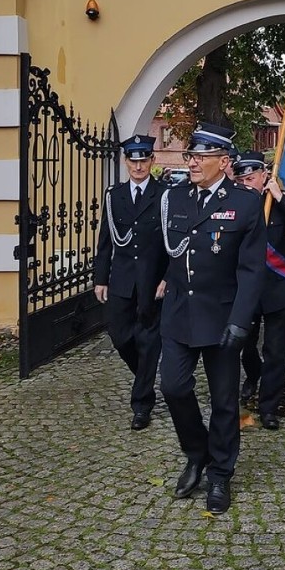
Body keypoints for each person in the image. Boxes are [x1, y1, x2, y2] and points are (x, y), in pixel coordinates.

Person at [159, 123, 266, 515]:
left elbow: (252, 270)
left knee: (223, 401)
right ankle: (196, 452)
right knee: (172, 386)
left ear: (224, 162)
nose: (193, 163)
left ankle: (220, 474)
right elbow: (165, 252)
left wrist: (241, 321)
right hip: (178, 313)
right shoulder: (174, 198)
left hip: (222, 317)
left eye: (201, 157)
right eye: (191, 156)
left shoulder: (246, 202)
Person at [233, 151, 285, 429]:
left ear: (265, 176)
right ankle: (253, 376)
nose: (245, 184)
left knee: (276, 351)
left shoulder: (279, 202)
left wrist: (280, 197)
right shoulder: (234, 204)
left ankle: (269, 406)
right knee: (244, 346)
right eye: (240, 179)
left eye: (251, 178)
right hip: (246, 290)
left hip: (278, 289)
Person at [94, 134, 168, 430]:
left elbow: (173, 242)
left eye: (144, 160)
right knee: (120, 335)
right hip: (122, 281)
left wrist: (168, 277)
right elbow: (105, 241)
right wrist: (100, 278)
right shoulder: (115, 196)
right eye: (133, 160)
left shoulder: (165, 195)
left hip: (153, 281)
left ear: (152, 161)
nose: (138, 166)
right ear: (126, 162)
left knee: (150, 341)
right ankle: (145, 376)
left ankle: (142, 405)